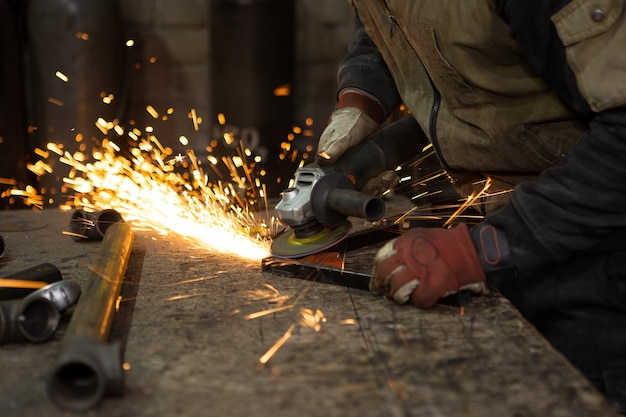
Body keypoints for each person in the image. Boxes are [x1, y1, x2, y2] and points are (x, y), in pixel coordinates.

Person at [316, 1, 626, 411]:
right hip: (503, 232)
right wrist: (361, 96)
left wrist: (485, 249)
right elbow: (382, 21)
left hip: (601, 263)